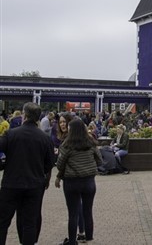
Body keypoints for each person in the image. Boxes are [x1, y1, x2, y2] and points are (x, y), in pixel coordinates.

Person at [0, 102, 55, 245]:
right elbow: (50, 163)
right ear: (38, 118)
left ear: (24, 115)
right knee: (30, 223)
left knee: (3, 221)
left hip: (11, 183)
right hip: (34, 184)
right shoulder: (45, 139)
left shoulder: (11, 134)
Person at [55, 119, 102, 245]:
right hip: (89, 181)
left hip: (71, 182)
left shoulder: (66, 145)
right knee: (88, 210)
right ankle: (89, 237)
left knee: (73, 213)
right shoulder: (91, 143)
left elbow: (60, 165)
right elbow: (100, 161)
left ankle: (71, 241)